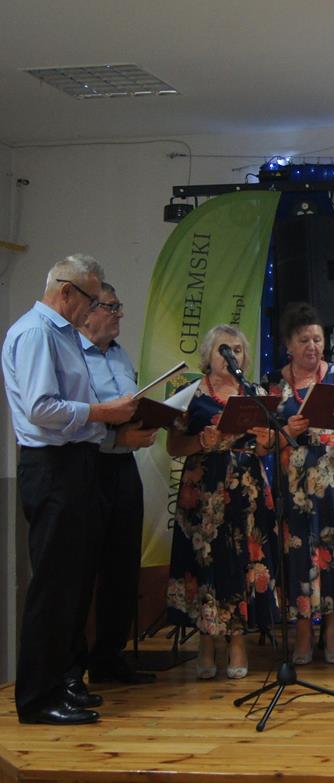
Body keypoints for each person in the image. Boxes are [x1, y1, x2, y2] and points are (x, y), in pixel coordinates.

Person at [3, 255, 138, 725]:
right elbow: (42, 408)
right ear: (67, 292)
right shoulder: (37, 333)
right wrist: (104, 414)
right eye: (92, 300)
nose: (94, 309)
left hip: (76, 464)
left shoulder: (63, 335)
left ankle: (62, 682)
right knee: (53, 587)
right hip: (52, 466)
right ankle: (37, 698)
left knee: (73, 585)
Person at [165, 325, 279, 680]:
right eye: (223, 349)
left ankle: (237, 642)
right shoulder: (190, 394)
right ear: (208, 355)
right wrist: (201, 442)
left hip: (247, 488)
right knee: (205, 561)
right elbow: (174, 447)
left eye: (237, 350)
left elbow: (266, 448)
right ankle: (205, 641)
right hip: (204, 489)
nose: (231, 356)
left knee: (242, 560)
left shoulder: (255, 393)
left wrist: (266, 441)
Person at [267, 302, 334, 666]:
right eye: (304, 340)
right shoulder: (273, 384)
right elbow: (262, 441)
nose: (312, 346)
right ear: (288, 345)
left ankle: (333, 632)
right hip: (296, 483)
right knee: (299, 554)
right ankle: (303, 634)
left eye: (317, 339)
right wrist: (286, 430)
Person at [77, 282, 159, 686]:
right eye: (112, 307)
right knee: (82, 567)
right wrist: (116, 437)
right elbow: (76, 418)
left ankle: (110, 656)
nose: (119, 314)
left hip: (124, 467)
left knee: (123, 564)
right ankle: (72, 667)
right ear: (89, 312)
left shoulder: (121, 355)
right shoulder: (73, 356)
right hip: (87, 466)